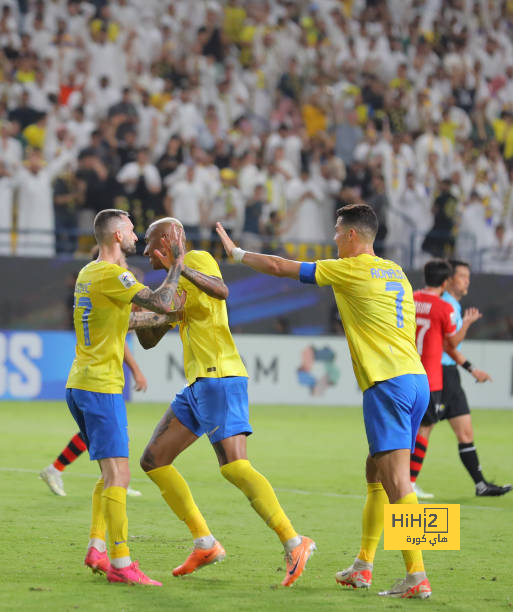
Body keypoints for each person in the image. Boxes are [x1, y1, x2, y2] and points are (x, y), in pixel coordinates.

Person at [216, 203, 432, 599]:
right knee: (376, 471)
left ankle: (417, 575)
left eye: (336, 232)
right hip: (417, 380)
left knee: (399, 481)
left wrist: (238, 255)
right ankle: (363, 566)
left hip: (386, 383)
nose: (333, 239)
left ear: (352, 235)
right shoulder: (395, 271)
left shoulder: (350, 268)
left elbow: (284, 268)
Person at [136, 217, 315, 588]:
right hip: (199, 383)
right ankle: (205, 542)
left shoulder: (197, 260)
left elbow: (221, 291)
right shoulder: (172, 280)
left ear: (168, 240)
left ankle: (295, 542)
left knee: (234, 467)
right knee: (154, 460)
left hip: (220, 377)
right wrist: (143, 316)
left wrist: (178, 267)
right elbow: (150, 340)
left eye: (150, 242)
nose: (144, 250)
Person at [65, 208, 187, 586]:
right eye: (132, 229)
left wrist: (161, 320)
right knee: (119, 473)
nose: (136, 235)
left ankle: (98, 547)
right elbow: (162, 302)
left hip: (81, 383)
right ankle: (121, 563)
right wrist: (177, 264)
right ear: (117, 236)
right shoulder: (114, 274)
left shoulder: (89, 273)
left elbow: (123, 321)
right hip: (100, 386)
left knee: (107, 474)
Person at [411, 259, 512, 498]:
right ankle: (407, 482)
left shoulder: (443, 303)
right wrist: (466, 328)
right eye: (463, 276)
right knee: (425, 427)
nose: (467, 280)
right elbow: (450, 344)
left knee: (464, 430)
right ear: (449, 280)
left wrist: (470, 368)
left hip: (448, 374)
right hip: (440, 374)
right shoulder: (444, 305)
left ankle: (480, 484)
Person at [40, 343, 147, 498]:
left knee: (97, 433)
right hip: (99, 382)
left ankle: (56, 469)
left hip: (85, 380)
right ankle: (117, 480)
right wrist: (137, 371)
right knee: (112, 433)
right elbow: (121, 337)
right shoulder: (110, 321)